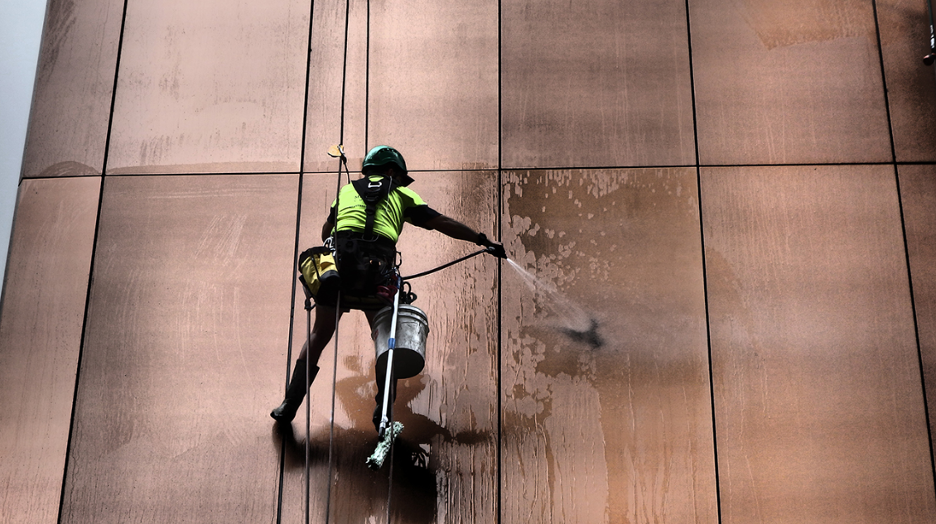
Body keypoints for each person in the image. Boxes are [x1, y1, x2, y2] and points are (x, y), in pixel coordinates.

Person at [271, 145, 505, 429]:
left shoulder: (346, 192)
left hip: (338, 276)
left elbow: (326, 233)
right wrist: (482, 240)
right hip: (376, 278)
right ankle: (383, 411)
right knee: (386, 343)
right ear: (392, 171)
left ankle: (288, 405)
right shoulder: (402, 194)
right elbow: (441, 222)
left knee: (320, 334)